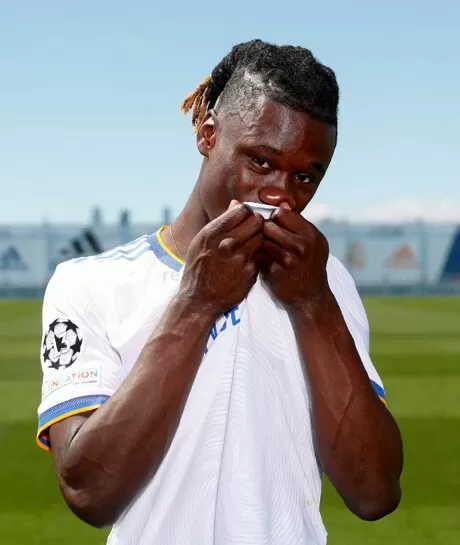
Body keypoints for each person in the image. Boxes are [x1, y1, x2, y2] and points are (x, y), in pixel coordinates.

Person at [36, 39, 403, 545]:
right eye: (261, 161)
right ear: (208, 134)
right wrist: (196, 304)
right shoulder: (89, 283)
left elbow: (375, 492)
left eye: (304, 177)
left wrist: (314, 304)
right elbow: (89, 492)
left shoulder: (326, 281)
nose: (280, 195)